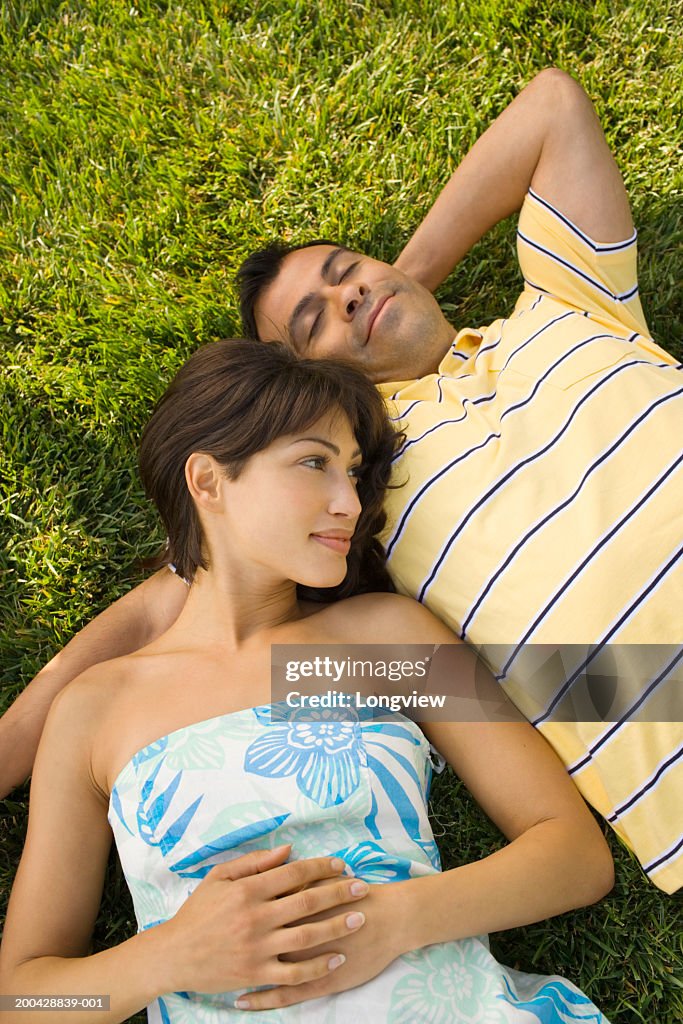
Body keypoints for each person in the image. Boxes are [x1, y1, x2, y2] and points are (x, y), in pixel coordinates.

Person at [1, 68, 681, 893]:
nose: (347, 293)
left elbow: (551, 106)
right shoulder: (351, 476)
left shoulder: (573, 306)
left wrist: (388, 285)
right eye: (314, 318)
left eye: (343, 268)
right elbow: (163, 607)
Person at [0, 339, 613, 1023]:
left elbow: (573, 855)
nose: (348, 502)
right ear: (207, 481)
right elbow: (25, 998)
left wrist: (394, 919)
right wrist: (165, 958)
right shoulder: (97, 709)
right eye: (313, 462)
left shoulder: (379, 640)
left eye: (352, 473)